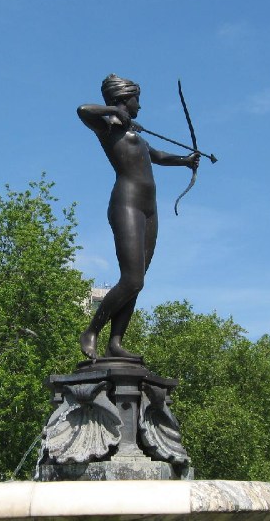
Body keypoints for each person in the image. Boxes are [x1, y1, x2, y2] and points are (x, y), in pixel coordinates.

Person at [78, 74, 199, 360]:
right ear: (123, 99)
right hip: (127, 204)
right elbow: (83, 110)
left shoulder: (135, 135)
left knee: (138, 280)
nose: (139, 106)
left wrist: (185, 161)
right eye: (136, 100)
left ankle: (115, 342)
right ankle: (91, 331)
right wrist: (113, 111)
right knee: (132, 279)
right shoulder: (107, 127)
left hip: (149, 207)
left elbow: (157, 156)